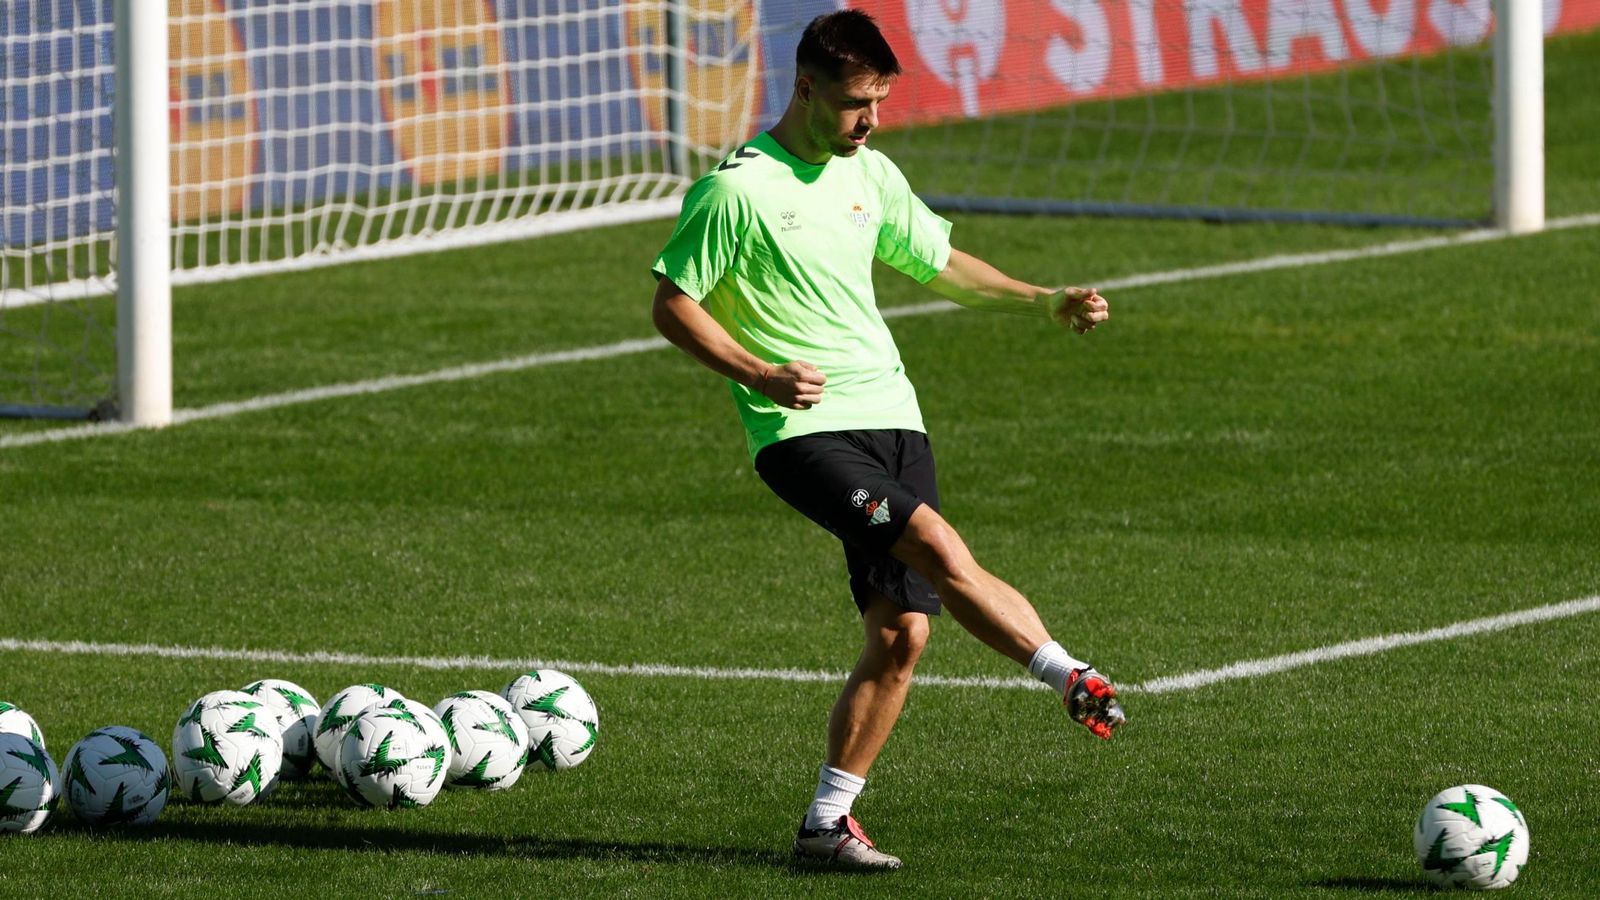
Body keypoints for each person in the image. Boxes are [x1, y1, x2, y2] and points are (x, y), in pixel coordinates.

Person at [649, 9, 1125, 871]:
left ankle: (825, 826)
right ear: (805, 87)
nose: (869, 121)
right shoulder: (737, 190)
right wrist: (757, 374)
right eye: (855, 103)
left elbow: (939, 261)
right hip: (800, 430)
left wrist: (1040, 297)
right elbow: (672, 302)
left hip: (894, 415)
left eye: (880, 102)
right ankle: (1068, 674)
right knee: (939, 544)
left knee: (904, 632)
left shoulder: (869, 171)